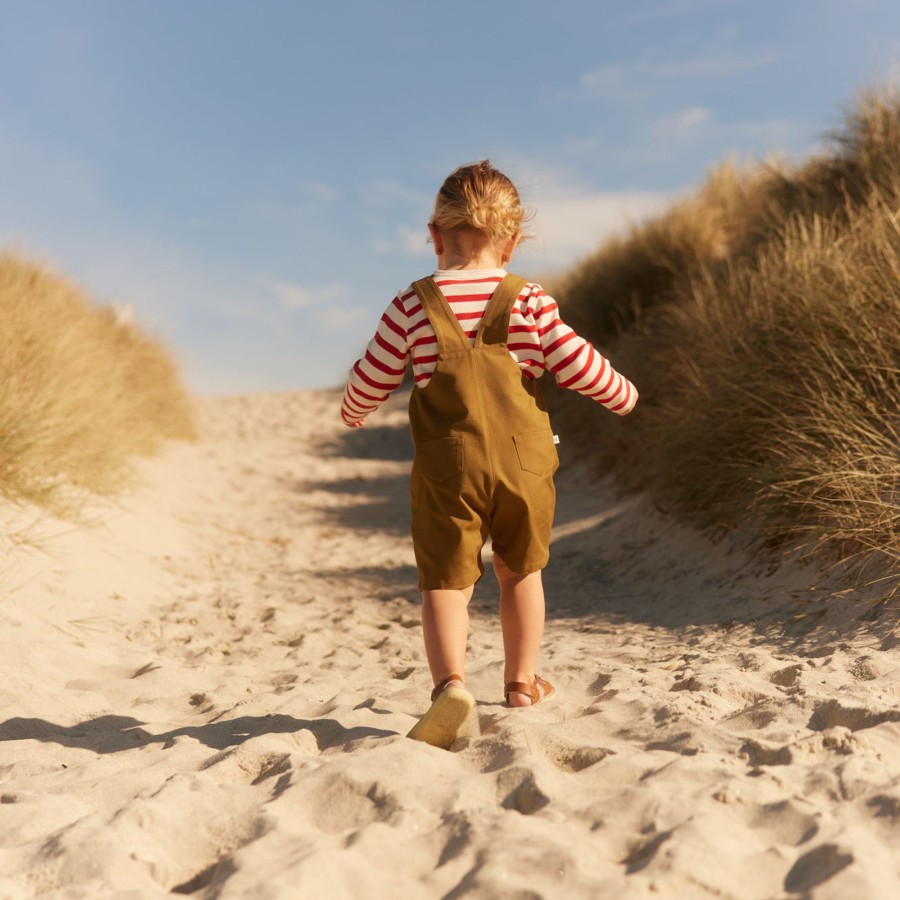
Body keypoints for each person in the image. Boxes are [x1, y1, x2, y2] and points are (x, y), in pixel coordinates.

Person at [340, 160, 637, 750]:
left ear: (434, 235)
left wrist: (352, 411)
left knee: (446, 583)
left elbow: (370, 378)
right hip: (524, 465)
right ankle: (521, 683)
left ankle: (451, 685)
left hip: (448, 468)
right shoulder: (528, 300)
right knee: (520, 571)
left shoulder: (412, 305)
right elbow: (578, 363)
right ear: (513, 239)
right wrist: (623, 396)